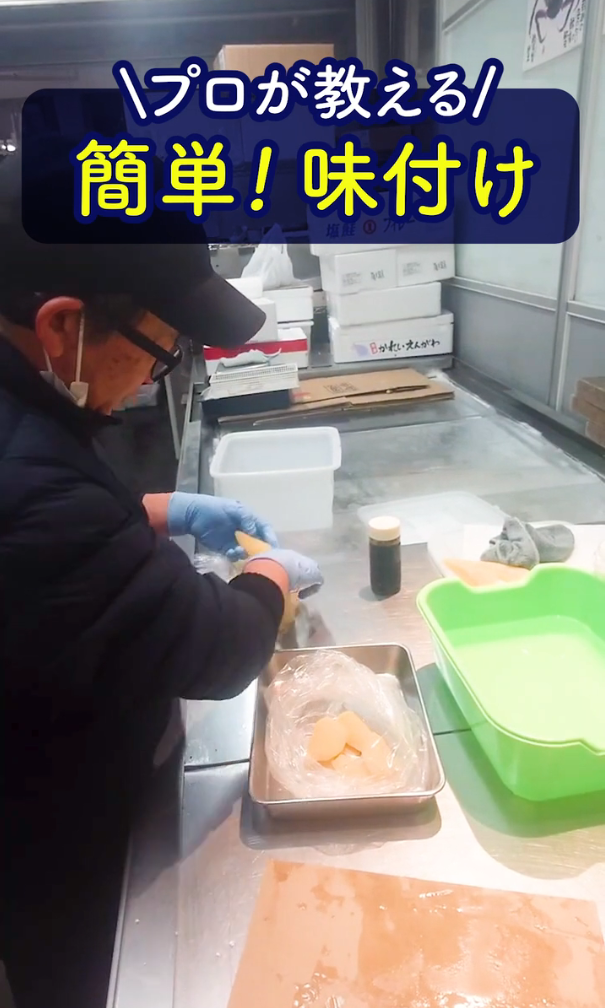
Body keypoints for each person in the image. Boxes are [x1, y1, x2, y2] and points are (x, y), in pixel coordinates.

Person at [0, 152, 322, 1008]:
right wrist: (268, 571)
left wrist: (154, 510)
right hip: (47, 833)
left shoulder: (23, 407)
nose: (159, 372)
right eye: (160, 349)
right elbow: (217, 650)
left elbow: (36, 525)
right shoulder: (33, 482)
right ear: (62, 325)